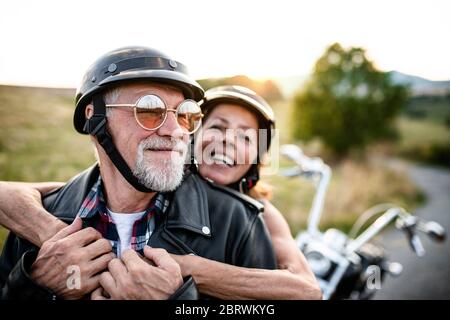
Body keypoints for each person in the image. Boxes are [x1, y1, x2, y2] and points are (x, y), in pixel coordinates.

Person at [0, 46, 278, 300]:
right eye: (149, 109)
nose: (175, 130)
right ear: (94, 118)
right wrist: (33, 286)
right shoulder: (37, 221)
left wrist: (179, 300)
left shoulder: (239, 221)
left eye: (184, 113)